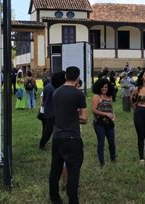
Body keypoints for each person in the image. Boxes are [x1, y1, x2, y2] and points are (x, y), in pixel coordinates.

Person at [49, 66, 87, 204]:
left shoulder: (56, 92)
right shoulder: (78, 94)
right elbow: (85, 118)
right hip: (72, 137)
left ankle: (54, 197)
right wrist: (74, 116)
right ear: (77, 78)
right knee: (73, 171)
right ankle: (73, 200)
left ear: (65, 76)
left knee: (55, 170)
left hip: (57, 136)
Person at [91, 78, 116, 167]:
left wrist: (113, 115)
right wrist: (106, 114)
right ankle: (102, 163)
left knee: (112, 142)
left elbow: (111, 109)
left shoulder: (109, 97)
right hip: (99, 123)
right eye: (102, 87)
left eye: (106, 87)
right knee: (101, 142)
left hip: (109, 123)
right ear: (98, 87)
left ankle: (113, 159)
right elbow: (93, 110)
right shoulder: (96, 96)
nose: (104, 89)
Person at [39, 71, 66, 150]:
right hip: (51, 112)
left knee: (48, 129)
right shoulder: (52, 88)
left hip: (48, 111)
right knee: (49, 130)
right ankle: (42, 144)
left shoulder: (49, 86)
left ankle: (44, 143)